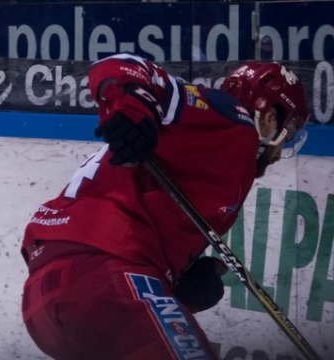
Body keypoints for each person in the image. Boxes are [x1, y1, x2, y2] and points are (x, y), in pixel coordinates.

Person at [20, 53, 309, 360]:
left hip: (45, 304)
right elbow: (121, 65)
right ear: (269, 117)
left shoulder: (208, 144)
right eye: (287, 133)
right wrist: (135, 106)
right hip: (104, 274)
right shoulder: (232, 119)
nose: (280, 152)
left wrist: (175, 289)